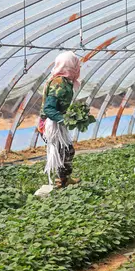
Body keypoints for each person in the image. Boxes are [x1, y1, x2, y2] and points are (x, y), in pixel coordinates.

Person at [37, 51, 81, 188]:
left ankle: (64, 178)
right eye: (76, 64)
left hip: (55, 123)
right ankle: (61, 181)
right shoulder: (59, 83)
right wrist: (64, 119)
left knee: (66, 151)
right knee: (65, 151)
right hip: (50, 125)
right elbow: (49, 108)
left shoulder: (64, 81)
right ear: (70, 66)